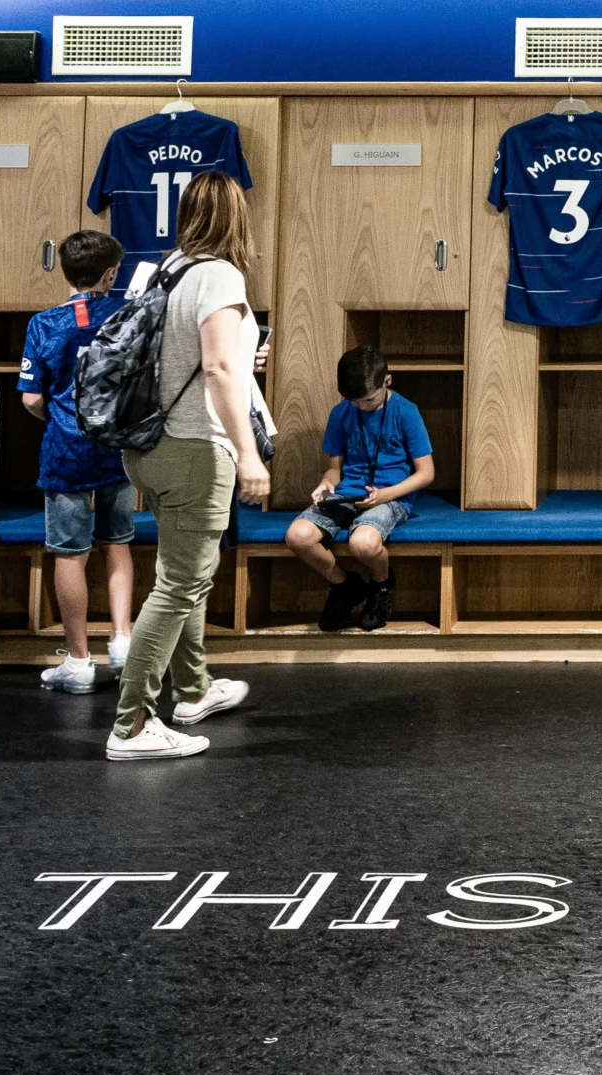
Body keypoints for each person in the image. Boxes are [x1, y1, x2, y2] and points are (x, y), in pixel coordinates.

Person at [107, 171, 271, 762]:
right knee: (179, 585)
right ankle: (131, 725)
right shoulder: (221, 275)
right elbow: (218, 372)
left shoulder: (161, 269)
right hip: (194, 447)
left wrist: (243, 353)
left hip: (146, 446)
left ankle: (193, 691)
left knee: (184, 575)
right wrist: (248, 453)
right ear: (237, 217)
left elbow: (175, 355)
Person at [19, 231, 136, 694]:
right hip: (120, 448)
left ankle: (79, 661)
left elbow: (30, 398)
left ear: (64, 271)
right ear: (111, 274)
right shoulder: (128, 315)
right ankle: (123, 640)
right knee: (119, 540)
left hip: (66, 450)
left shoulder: (44, 324)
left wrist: (62, 416)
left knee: (70, 552)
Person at [284, 346, 432, 631]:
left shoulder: (406, 412)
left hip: (391, 496)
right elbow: (335, 468)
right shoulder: (341, 412)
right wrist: (326, 483)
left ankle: (381, 586)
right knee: (298, 536)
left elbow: (426, 473)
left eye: (368, 400)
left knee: (363, 544)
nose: (361, 406)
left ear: (387, 380)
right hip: (347, 492)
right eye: (354, 401)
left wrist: (386, 495)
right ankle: (343, 586)